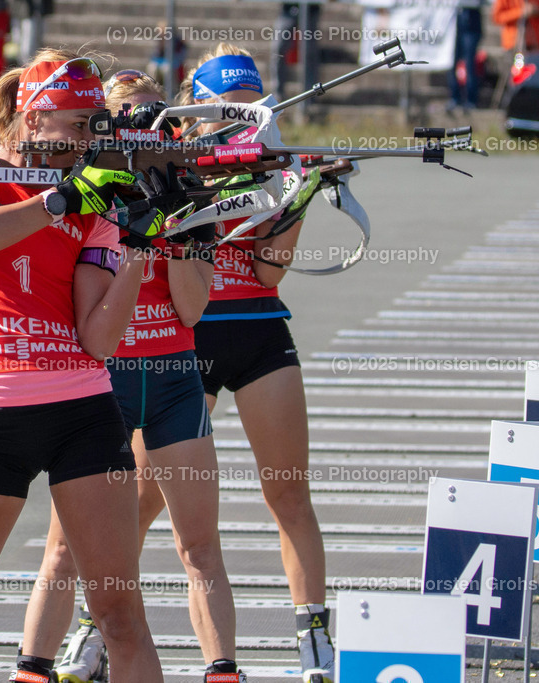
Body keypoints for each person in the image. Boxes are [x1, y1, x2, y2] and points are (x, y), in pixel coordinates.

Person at [0, 47, 165, 683]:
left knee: (123, 619)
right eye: (76, 123)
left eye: (96, 126)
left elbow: (99, 340)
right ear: (31, 115)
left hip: (83, 413)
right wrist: (59, 201)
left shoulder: (92, 199)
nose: (86, 141)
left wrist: (136, 246)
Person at [16, 69, 249, 683]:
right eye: (135, 118)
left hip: (173, 376)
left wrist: (173, 218)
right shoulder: (88, 188)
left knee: (199, 545)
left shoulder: (186, 190)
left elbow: (193, 308)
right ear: (105, 126)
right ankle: (33, 668)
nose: (152, 129)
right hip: (105, 382)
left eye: (160, 117)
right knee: (65, 550)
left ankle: (222, 670)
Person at [178, 43, 335, 683]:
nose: (242, 120)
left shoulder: (276, 165)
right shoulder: (175, 160)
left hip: (259, 331)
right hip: (184, 338)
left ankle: (315, 635)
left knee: (288, 492)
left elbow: (269, 273)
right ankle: (92, 628)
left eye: (250, 109)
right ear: (199, 111)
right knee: (138, 503)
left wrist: (296, 196)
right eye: (227, 110)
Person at [447, 0, 484, 113]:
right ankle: (454, 98)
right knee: (451, 61)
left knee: (470, 63)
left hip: (471, 20)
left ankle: (471, 99)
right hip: (452, 20)